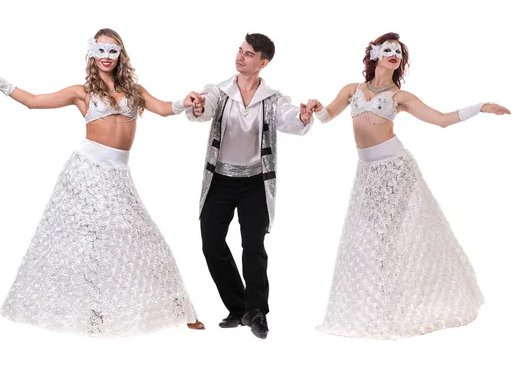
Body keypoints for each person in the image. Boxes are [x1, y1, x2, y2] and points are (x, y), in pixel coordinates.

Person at [0, 28, 205, 337]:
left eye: (112, 51)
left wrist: (184, 101)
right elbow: (35, 101)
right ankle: (92, 314)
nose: (106, 57)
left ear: (121, 55)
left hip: (118, 174)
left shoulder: (134, 90)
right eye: (100, 50)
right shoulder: (83, 91)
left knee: (145, 237)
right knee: (85, 242)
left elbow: (162, 108)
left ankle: (181, 310)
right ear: (93, 54)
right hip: (86, 171)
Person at [310, 32, 510, 339]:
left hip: (395, 169)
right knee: (371, 238)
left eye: (399, 53)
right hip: (367, 172)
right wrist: (315, 107)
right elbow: (327, 116)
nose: (394, 55)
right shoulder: (352, 90)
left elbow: (441, 119)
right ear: (375, 54)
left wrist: (480, 107)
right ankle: (379, 306)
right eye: (388, 50)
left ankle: (391, 310)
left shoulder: (400, 97)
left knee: (388, 238)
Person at [177, 33, 315, 339]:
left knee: (253, 248)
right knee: (211, 245)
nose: (241, 57)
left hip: (254, 182)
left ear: (263, 63)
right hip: (220, 181)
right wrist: (198, 106)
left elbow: (291, 118)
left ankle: (256, 312)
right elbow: (204, 109)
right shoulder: (219, 91)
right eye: (240, 51)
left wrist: (304, 116)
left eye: (249, 54)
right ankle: (238, 307)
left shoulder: (273, 99)